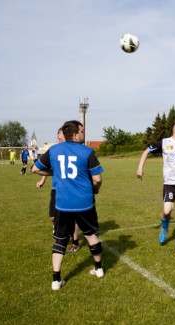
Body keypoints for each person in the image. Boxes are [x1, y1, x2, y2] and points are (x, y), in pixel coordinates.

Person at [32, 120, 104, 290]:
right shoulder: (87, 152)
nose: (84, 134)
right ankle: (98, 269)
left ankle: (56, 280)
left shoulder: (54, 150)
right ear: (74, 134)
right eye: (82, 131)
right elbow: (98, 178)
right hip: (84, 202)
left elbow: (35, 169)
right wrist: (96, 189)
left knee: (60, 240)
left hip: (63, 203)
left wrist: (53, 173)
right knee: (91, 235)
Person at [136, 122, 175, 254]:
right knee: (167, 211)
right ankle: (164, 229)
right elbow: (146, 151)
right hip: (169, 183)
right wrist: (140, 168)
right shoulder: (164, 142)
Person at [36, 128, 81, 253]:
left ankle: (75, 242)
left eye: (61, 136)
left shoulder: (72, 150)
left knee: (73, 217)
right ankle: (61, 228)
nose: (60, 138)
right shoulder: (55, 151)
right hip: (57, 189)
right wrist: (42, 180)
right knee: (52, 217)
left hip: (71, 190)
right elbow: (47, 167)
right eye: (59, 136)